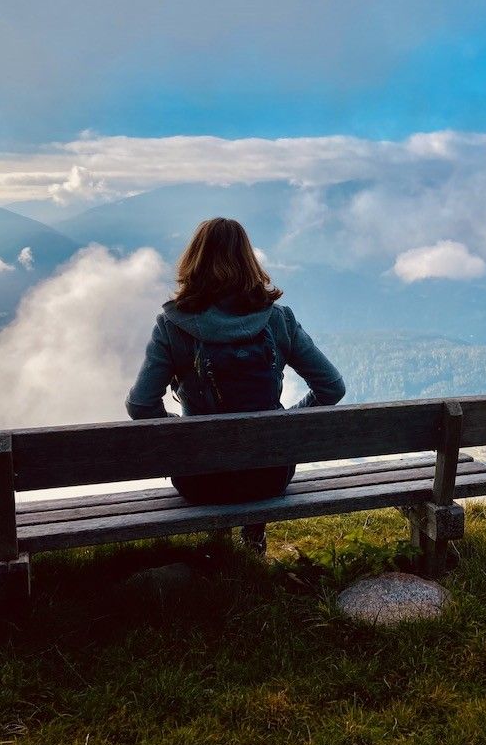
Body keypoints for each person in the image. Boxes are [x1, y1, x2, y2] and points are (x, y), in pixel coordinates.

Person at [125, 217, 345, 553]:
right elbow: (331, 387)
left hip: (200, 480)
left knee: (214, 462)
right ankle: (252, 539)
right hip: (269, 476)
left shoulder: (172, 326)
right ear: (248, 260)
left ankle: (221, 548)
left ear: (194, 260)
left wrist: (183, 435)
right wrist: (282, 423)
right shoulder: (278, 319)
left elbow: (141, 405)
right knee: (259, 454)